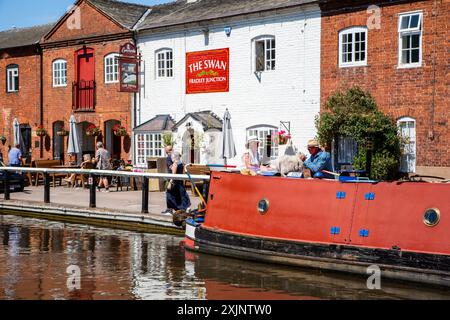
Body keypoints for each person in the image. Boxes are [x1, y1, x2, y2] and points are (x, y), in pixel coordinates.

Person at [163, 151, 191, 215]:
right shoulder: (181, 163)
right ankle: (185, 208)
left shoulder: (175, 164)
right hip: (179, 182)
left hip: (175, 182)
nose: (171, 159)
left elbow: (174, 174)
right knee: (181, 195)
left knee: (170, 195)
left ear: (174, 157)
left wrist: (170, 182)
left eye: (172, 157)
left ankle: (172, 210)